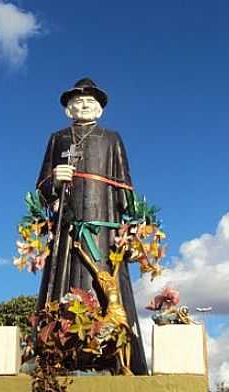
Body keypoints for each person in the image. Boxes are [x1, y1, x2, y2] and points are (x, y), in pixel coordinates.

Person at [35, 78, 148, 375]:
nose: (83, 106)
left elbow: (124, 183)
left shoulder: (111, 138)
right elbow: (42, 188)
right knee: (64, 279)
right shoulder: (57, 138)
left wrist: (133, 226)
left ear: (99, 109)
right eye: (78, 102)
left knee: (107, 285)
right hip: (67, 227)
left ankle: (113, 356)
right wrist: (55, 180)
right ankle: (59, 353)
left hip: (105, 225)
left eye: (89, 102)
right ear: (68, 109)